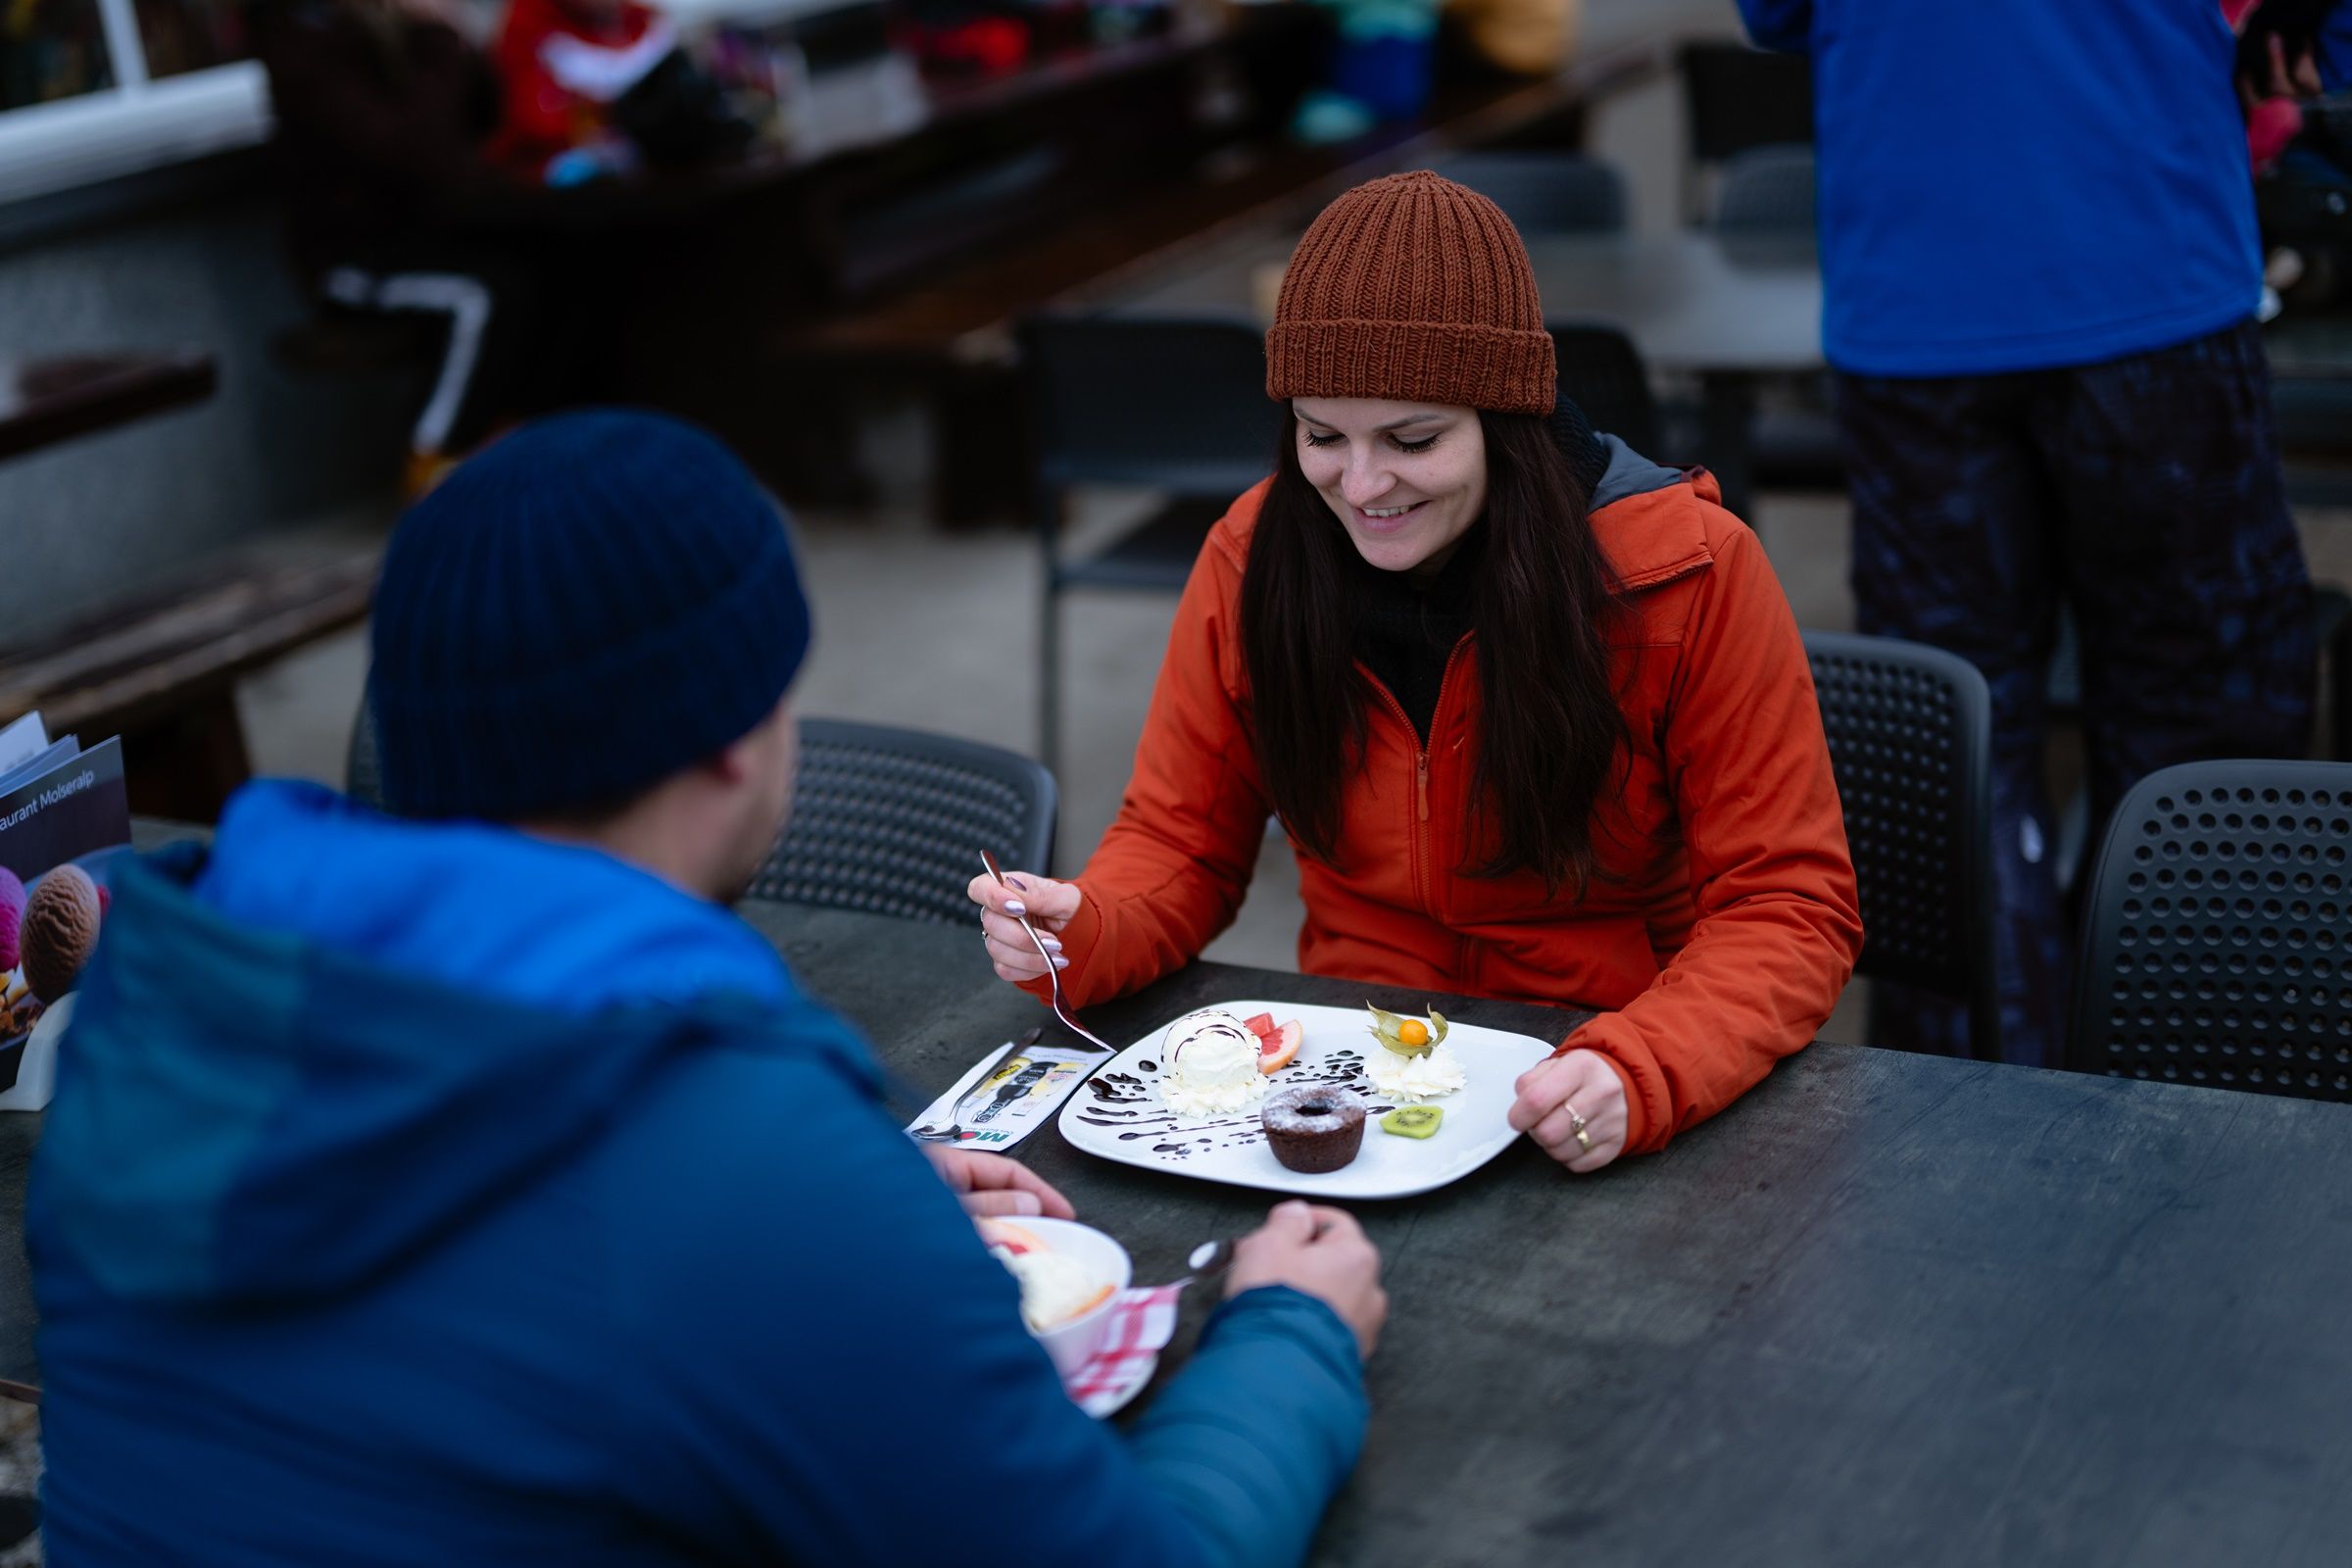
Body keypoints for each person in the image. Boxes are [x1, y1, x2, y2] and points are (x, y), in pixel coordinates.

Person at [29, 411, 1385, 1564]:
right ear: (738, 738)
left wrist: (854, 1195)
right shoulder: (735, 1162)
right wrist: (1291, 1334)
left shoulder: (156, 1014)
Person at [970, 172, 1864, 1172]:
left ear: (1508, 420)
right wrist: (1086, 929)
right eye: (1321, 436)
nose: (1362, 486)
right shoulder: (1252, 554)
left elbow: (1788, 906)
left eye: (1413, 439)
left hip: (1595, 1059)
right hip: (1354, 1074)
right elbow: (1180, 840)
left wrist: (1648, 1063)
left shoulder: (1690, 570)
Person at [1736, 1, 2345, 1065]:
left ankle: (1978, 1120)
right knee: (2202, 727)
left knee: (1956, 746)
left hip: (1919, 298)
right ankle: (2187, 1091)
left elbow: (1777, 13)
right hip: (2149, 270)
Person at [250, 0, 551, 491]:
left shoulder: (391, 30)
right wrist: (434, 38)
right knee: (480, 297)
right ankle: (431, 462)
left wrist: (458, 36)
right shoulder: (305, 44)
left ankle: (525, 444)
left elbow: (490, 114)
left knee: (548, 263)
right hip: (351, 259)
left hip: (430, 235)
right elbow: (417, 154)